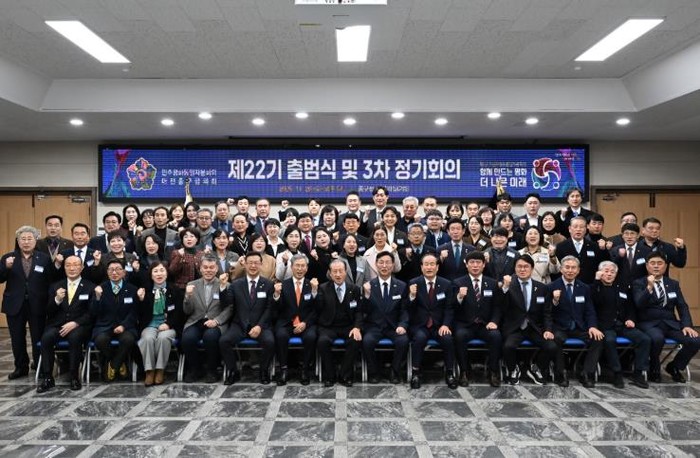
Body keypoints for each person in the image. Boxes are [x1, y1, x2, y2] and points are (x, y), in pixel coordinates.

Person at [633, 251, 700, 383]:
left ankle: (674, 367)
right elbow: (639, 303)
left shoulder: (673, 283)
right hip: (649, 323)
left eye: (660, 263)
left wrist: (687, 325)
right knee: (657, 338)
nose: (656, 266)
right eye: (652, 263)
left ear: (665, 266)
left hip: (670, 323)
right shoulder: (639, 283)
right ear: (647, 266)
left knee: (695, 340)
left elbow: (682, 306)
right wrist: (649, 287)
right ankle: (654, 368)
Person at [1, 226, 57, 379]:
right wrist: (6, 267)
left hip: (38, 303)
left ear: (35, 240)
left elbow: (51, 281)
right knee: (17, 338)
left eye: (29, 239)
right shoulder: (8, 257)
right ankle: (21, 367)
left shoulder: (44, 258)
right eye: (23, 239)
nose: (26, 242)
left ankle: (40, 365)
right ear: (18, 241)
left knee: (38, 337)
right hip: (15, 304)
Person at [500, 255, 560, 386]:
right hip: (515, 327)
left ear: (532, 269)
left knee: (551, 346)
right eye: (519, 267)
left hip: (534, 327)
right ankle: (513, 369)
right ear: (515, 269)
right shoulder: (508, 286)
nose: (522, 269)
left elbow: (547, 313)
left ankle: (535, 368)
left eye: (526, 267)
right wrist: (505, 288)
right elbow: (501, 308)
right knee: (508, 346)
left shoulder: (542, 288)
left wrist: (548, 330)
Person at [37, 255, 93, 392]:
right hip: (58, 325)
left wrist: (76, 323)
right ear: (64, 267)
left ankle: (74, 377)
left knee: (75, 338)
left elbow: (92, 313)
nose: (72, 268)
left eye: (75, 265)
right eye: (68, 265)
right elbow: (48, 310)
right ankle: (48, 378)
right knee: (46, 338)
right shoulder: (55, 286)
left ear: (82, 267)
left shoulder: (90, 286)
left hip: (79, 325)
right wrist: (57, 299)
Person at [591, 261, 650, 389]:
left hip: (622, 325)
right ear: (600, 272)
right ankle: (616, 373)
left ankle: (638, 372)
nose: (609, 274)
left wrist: (630, 319)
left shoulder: (622, 287)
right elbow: (594, 301)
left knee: (644, 339)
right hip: (604, 326)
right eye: (606, 271)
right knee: (610, 341)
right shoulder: (595, 287)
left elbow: (630, 307)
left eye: (612, 272)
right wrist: (597, 281)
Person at [220, 252, 276, 385]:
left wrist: (259, 326)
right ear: (244, 264)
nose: (253, 266)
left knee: (270, 342)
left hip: (261, 325)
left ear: (261, 264)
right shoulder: (235, 284)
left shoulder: (268, 284)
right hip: (239, 324)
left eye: (256, 263)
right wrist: (222, 287)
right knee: (224, 341)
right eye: (250, 262)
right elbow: (226, 304)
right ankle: (233, 371)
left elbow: (269, 308)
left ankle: (263, 371)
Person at [549, 256, 605, 388]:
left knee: (598, 338)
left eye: (573, 268)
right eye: (567, 267)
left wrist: (592, 326)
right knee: (556, 339)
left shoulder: (584, 288)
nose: (570, 270)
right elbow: (547, 312)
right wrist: (554, 301)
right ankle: (560, 373)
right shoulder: (551, 286)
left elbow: (589, 310)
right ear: (561, 269)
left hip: (579, 327)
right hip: (560, 327)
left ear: (578, 270)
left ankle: (586, 373)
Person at [452, 251, 502, 387]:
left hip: (485, 325)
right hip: (465, 325)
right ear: (466, 265)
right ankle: (464, 371)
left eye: (478, 262)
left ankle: (493, 371)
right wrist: (459, 297)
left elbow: (497, 306)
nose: (475, 265)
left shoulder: (492, 283)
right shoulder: (458, 282)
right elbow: (452, 307)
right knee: (459, 336)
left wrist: (494, 321)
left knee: (496, 336)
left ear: (484, 264)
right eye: (472, 262)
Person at [407, 252, 457, 389]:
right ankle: (416, 373)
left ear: (437, 267)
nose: (429, 267)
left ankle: (450, 373)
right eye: (426, 264)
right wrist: (412, 296)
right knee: (419, 339)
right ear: (421, 267)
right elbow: (408, 309)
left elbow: (449, 308)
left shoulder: (446, 284)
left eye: (432, 264)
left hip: (439, 325)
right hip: (420, 325)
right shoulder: (414, 283)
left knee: (447, 339)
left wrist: (446, 325)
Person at [91, 258, 143, 382]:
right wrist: (97, 298)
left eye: (118, 269)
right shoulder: (100, 288)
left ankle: (113, 366)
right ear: (107, 272)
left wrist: (123, 326)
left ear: (124, 272)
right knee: (100, 340)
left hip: (126, 326)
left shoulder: (132, 289)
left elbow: (134, 312)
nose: (114, 272)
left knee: (128, 339)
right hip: (104, 326)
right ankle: (120, 363)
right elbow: (94, 312)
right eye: (111, 270)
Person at [181, 254, 230, 383]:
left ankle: (212, 370)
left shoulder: (225, 285)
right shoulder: (192, 285)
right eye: (205, 267)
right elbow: (187, 311)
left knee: (210, 337)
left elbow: (229, 308)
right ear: (200, 269)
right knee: (188, 338)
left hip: (216, 321)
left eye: (211, 267)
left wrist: (217, 321)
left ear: (216, 269)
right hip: (196, 320)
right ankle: (195, 369)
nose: (208, 270)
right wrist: (188, 297)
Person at [361, 252, 409, 384]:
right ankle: (374, 372)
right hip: (374, 326)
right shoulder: (369, 285)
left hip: (394, 326)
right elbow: (363, 311)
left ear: (393, 265)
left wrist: (402, 325)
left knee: (403, 341)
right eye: (381, 262)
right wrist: (366, 296)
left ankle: (395, 371)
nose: (384, 266)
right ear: (376, 265)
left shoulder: (401, 286)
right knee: (367, 341)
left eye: (387, 262)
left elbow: (404, 310)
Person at [273, 254, 319, 385]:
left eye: (303, 266)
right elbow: (276, 309)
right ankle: (283, 369)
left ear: (307, 268)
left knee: (311, 337)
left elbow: (316, 309)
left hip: (306, 323)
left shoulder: (312, 285)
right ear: (292, 267)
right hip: (287, 323)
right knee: (280, 335)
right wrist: (276, 295)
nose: (300, 269)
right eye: (297, 266)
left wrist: (305, 323)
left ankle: (305, 370)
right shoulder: (283, 285)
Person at [316, 260, 363, 387]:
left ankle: (345, 375)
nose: (338, 274)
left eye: (340, 271)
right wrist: (315, 293)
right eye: (335, 272)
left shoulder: (354, 289)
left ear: (345, 272)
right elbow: (318, 309)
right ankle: (330, 375)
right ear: (330, 274)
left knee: (355, 340)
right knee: (322, 342)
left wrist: (357, 327)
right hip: (328, 326)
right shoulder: (323, 288)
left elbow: (359, 311)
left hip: (348, 326)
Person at [137, 262, 184, 386]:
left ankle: (160, 370)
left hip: (169, 325)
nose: (159, 274)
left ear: (167, 273)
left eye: (162, 270)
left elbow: (179, 312)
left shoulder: (175, 289)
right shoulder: (145, 290)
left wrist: (168, 324)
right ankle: (149, 371)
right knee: (147, 339)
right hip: (150, 324)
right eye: (156, 271)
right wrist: (141, 300)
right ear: (151, 275)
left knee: (163, 338)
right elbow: (139, 313)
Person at [555, 216, 609, 284]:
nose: (578, 229)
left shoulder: (594, 246)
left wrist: (603, 250)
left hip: (589, 285)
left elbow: (603, 264)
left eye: (581, 227)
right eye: (575, 227)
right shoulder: (561, 246)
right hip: (567, 285)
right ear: (569, 229)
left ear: (586, 229)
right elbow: (557, 269)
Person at [609, 223, 649, 291]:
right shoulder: (615, 250)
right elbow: (612, 268)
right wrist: (619, 256)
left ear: (638, 236)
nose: (629, 237)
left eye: (632, 233)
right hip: (621, 287)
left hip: (640, 287)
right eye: (626, 234)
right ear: (622, 236)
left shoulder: (646, 250)